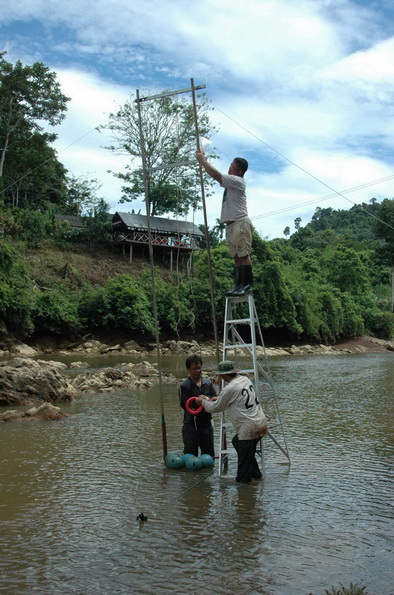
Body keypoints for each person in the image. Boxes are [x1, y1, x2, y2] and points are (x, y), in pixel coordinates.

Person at [195, 360, 267, 484]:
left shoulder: (229, 388)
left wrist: (201, 401)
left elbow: (214, 408)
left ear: (223, 375)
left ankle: (245, 497)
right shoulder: (245, 380)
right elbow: (238, 397)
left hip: (249, 429)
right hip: (261, 423)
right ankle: (256, 474)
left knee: (242, 479)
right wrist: (221, 399)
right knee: (237, 442)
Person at [196, 151, 253, 297]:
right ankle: (238, 284)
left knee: (243, 254)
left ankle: (246, 285)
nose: (230, 168)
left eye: (232, 166)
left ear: (239, 171)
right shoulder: (232, 182)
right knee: (236, 256)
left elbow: (217, 175)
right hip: (230, 225)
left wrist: (203, 161)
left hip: (240, 222)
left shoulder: (237, 180)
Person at [178, 354, 216, 457]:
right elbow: (183, 404)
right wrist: (197, 401)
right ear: (188, 369)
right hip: (191, 425)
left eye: (199, 368)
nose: (197, 371)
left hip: (206, 424)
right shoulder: (184, 386)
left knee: (209, 455)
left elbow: (214, 397)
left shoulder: (207, 383)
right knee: (190, 456)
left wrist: (207, 399)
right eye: (194, 369)